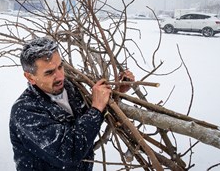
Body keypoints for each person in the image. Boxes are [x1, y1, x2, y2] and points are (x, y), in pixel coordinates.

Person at [10, 37, 134, 171]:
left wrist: (116, 92)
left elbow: (88, 119)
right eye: (49, 72)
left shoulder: (70, 88)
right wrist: (96, 108)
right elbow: (70, 152)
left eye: (60, 66)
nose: (60, 76)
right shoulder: (25, 111)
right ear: (30, 77)